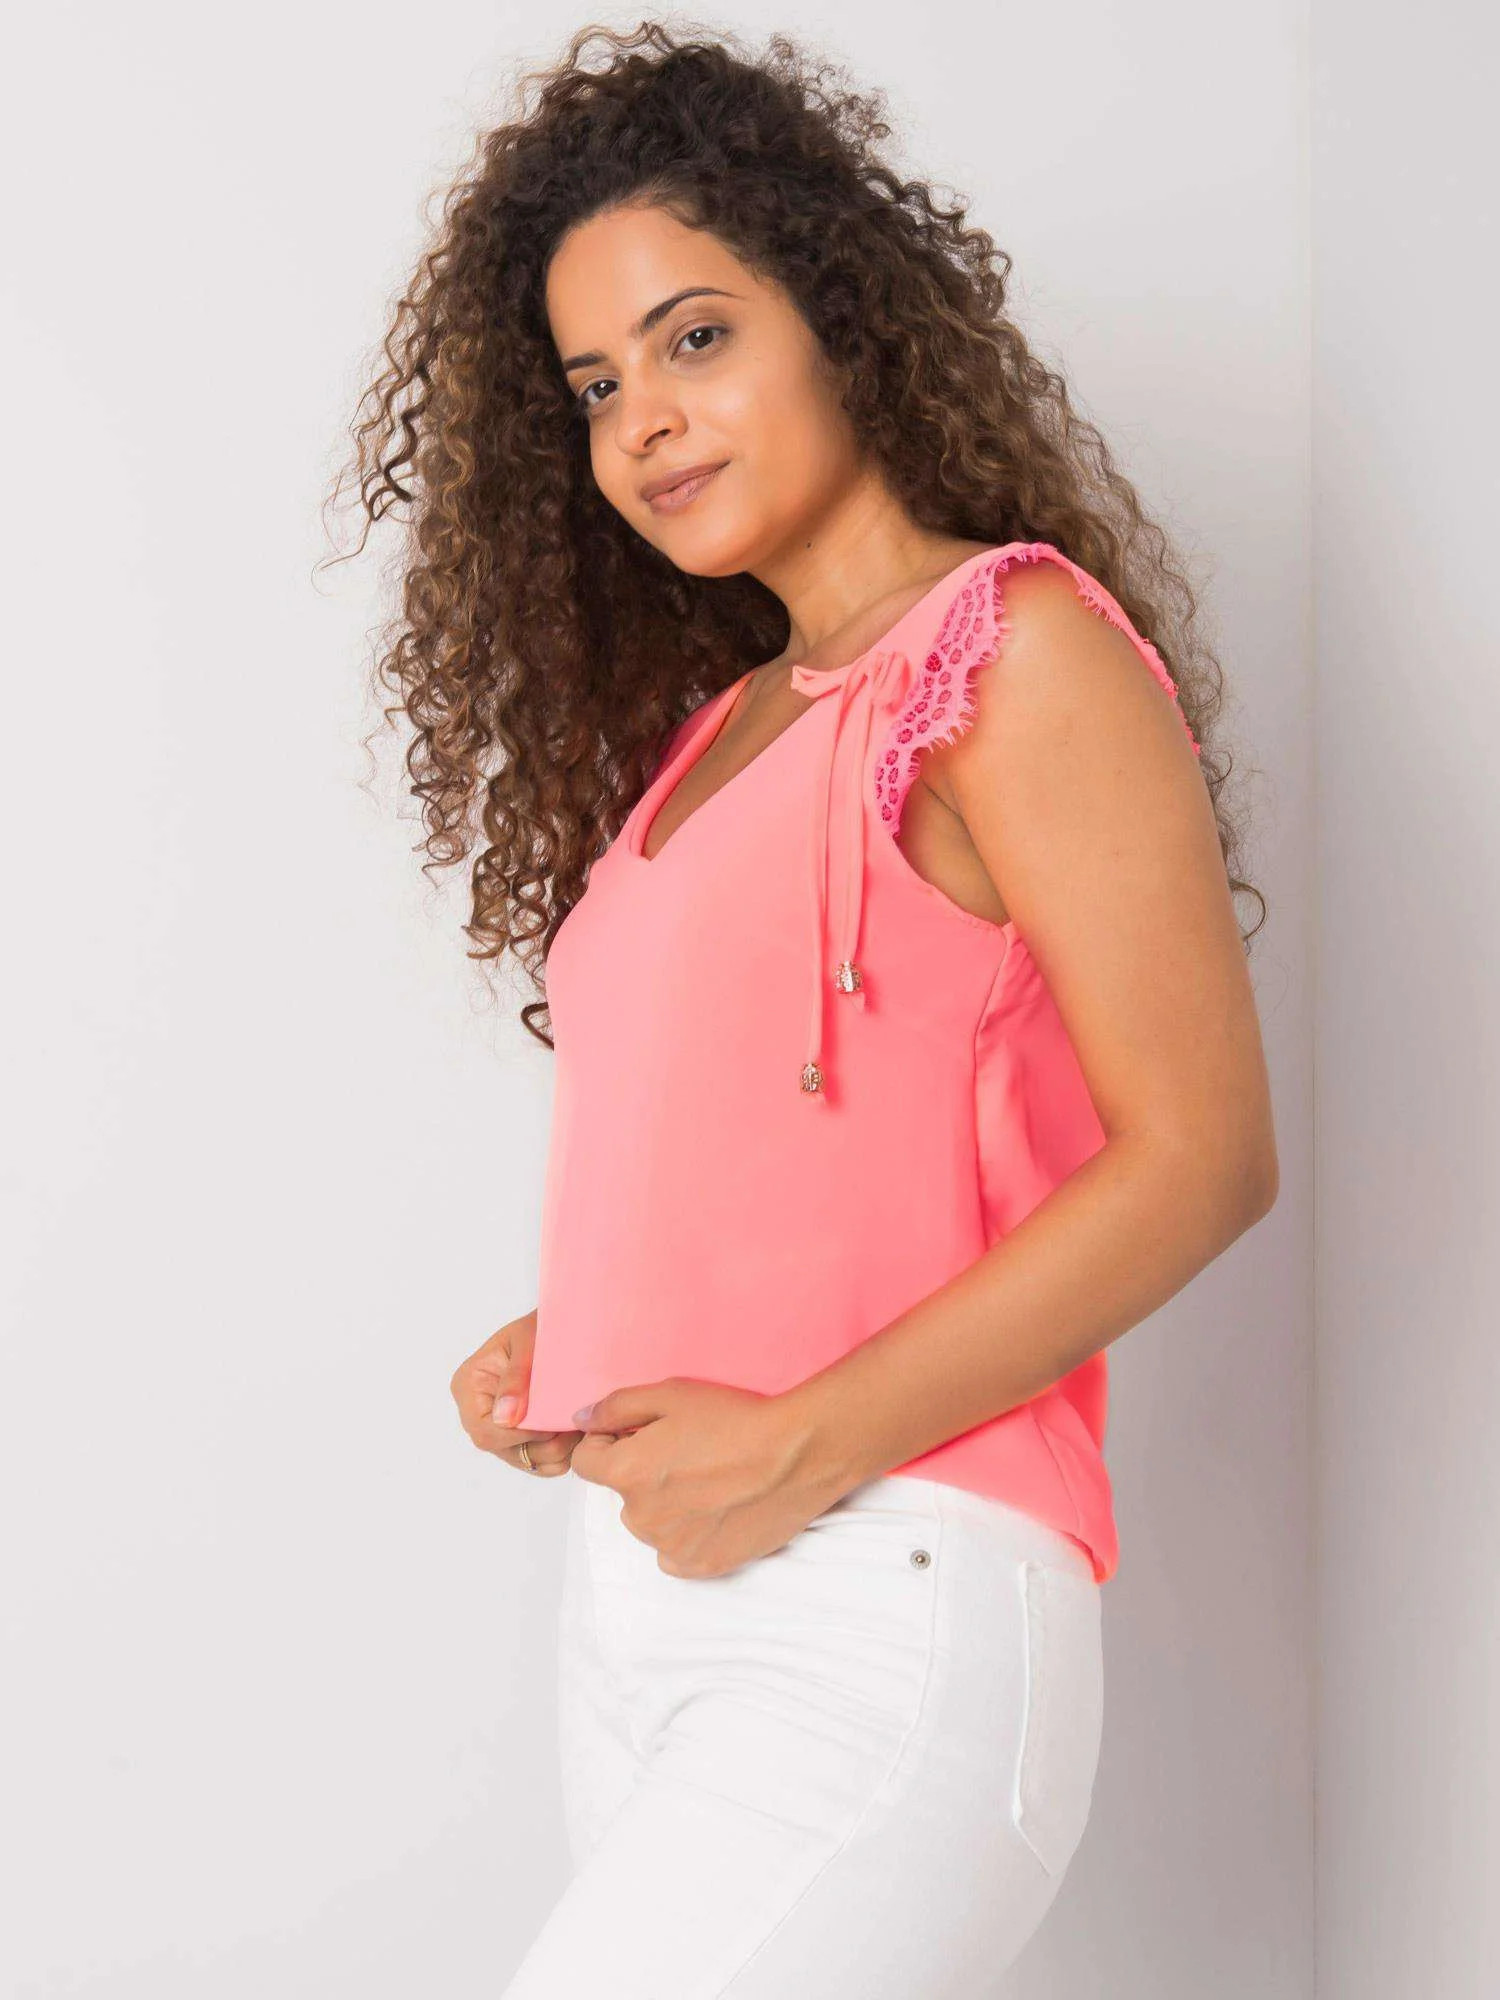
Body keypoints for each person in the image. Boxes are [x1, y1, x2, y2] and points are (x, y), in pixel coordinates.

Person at [340, 21, 1278, 1994]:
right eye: (597, 386)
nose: (645, 422)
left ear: (843, 318)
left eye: (695, 337)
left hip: (886, 1588)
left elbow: (1202, 1156)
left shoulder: (1011, 651)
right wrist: (601, 1334)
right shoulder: (713, 740)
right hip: (641, 1609)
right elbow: (799, 1150)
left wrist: (805, 1439)